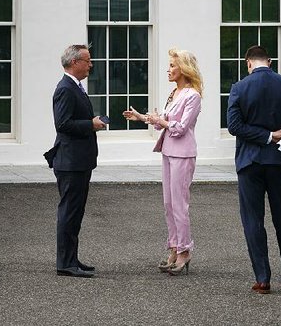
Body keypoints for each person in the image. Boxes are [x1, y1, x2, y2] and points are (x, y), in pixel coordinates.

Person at [226, 45, 281, 294]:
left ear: (248, 63)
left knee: (253, 220)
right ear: (270, 61)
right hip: (280, 162)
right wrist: (279, 137)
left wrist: (266, 136)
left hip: (249, 163)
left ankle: (262, 279)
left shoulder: (239, 88)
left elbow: (234, 126)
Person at [123, 48, 202, 276]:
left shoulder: (192, 96)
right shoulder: (174, 93)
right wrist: (142, 117)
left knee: (180, 205)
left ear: (184, 69)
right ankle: (174, 246)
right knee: (169, 204)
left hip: (183, 153)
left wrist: (162, 121)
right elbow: (163, 122)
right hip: (168, 151)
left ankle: (185, 250)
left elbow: (180, 127)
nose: (168, 70)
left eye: (172, 66)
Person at [44, 45, 107, 277]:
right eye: (87, 61)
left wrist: (92, 121)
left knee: (75, 212)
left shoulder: (76, 87)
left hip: (79, 161)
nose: (91, 65)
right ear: (74, 63)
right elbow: (63, 124)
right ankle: (65, 264)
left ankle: (72, 259)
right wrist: (90, 124)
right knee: (69, 212)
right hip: (70, 162)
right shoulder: (65, 89)